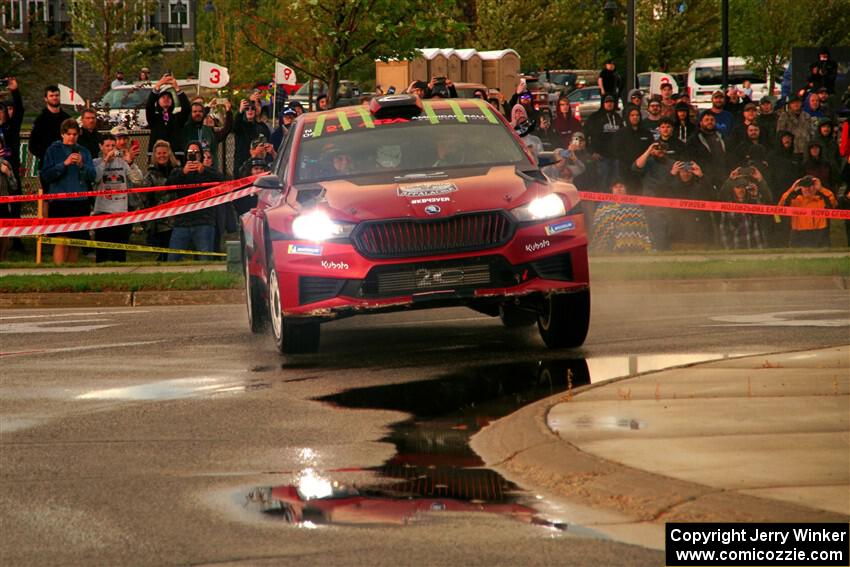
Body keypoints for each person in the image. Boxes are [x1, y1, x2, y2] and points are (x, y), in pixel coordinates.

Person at [39, 119, 97, 264]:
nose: (71, 137)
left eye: (75, 134)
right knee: (61, 238)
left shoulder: (84, 151)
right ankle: (58, 270)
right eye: (68, 134)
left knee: (76, 240)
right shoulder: (53, 150)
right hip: (60, 200)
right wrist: (63, 164)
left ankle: (71, 271)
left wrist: (82, 165)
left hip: (80, 200)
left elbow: (93, 176)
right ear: (62, 134)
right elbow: (46, 175)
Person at [165, 141, 223, 260]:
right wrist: (183, 172)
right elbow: (167, 187)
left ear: (200, 155)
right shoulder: (178, 171)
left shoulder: (208, 171)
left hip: (204, 221)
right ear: (186, 154)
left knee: (205, 260)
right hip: (182, 222)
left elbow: (222, 180)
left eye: (196, 152)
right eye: (191, 152)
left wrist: (204, 170)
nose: (194, 154)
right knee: (172, 259)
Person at [91, 133, 144, 263]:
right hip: (102, 211)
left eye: (113, 146)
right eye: (107, 146)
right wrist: (105, 161)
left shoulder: (122, 162)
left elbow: (138, 179)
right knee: (102, 253)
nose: (111, 148)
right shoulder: (95, 162)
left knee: (119, 253)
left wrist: (130, 162)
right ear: (101, 147)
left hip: (121, 212)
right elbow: (95, 178)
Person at [590, 179, 652, 252]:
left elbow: (640, 223)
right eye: (615, 187)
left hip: (630, 235)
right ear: (612, 189)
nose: (618, 189)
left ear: (626, 189)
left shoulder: (634, 204)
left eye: (621, 186)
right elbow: (599, 223)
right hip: (608, 237)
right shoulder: (603, 205)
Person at [142, 140, 180, 259]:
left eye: (164, 152)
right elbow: (145, 198)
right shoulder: (150, 174)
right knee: (164, 253)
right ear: (154, 155)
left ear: (169, 154)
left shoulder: (178, 171)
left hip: (178, 218)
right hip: (160, 221)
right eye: (159, 153)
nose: (162, 155)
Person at [778, 175, 837, 247]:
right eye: (804, 186)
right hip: (799, 234)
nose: (807, 189)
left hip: (819, 234)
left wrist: (821, 189)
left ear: (815, 188)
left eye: (810, 186)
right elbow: (780, 208)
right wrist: (792, 189)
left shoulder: (822, 200)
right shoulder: (794, 201)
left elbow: (833, 204)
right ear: (801, 188)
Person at [145, 74, 190, 160]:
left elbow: (186, 108)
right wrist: (159, 85)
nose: (166, 99)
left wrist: (176, 88)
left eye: (168, 97)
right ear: (158, 102)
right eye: (163, 97)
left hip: (175, 155)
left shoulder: (177, 118)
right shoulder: (154, 118)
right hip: (157, 156)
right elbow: (149, 106)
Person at [182, 99, 233, 172]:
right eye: (195, 111)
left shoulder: (209, 131)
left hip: (210, 172)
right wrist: (208, 107)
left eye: (200, 111)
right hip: (191, 171)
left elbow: (227, 129)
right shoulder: (187, 129)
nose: (198, 113)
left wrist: (228, 111)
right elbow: (191, 120)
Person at [585, 95, 623, 190]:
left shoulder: (618, 117)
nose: (609, 104)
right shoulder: (594, 117)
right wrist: (591, 151)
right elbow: (586, 134)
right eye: (607, 102)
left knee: (616, 182)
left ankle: (615, 202)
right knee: (603, 181)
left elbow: (622, 135)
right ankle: (601, 203)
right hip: (601, 157)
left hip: (616, 156)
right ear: (603, 103)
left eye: (611, 102)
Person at [718, 177, 767, 249]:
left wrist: (755, 195)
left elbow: (762, 217)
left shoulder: (753, 201)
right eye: (738, 187)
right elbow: (723, 229)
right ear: (733, 189)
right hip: (736, 246)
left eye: (743, 187)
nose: (741, 190)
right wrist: (728, 248)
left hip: (756, 246)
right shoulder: (728, 205)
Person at [29, 85, 71, 171]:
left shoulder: (67, 119)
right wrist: (47, 156)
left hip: (67, 163)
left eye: (57, 95)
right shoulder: (40, 120)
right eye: (51, 96)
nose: (54, 98)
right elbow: (32, 145)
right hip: (48, 165)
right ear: (46, 98)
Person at [686, 111, 727, 193]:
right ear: (701, 122)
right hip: (702, 177)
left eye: (712, 120)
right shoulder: (694, 139)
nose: (710, 122)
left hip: (722, 176)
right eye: (707, 120)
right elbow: (688, 158)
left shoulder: (722, 136)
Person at [614, 105, 653, 192]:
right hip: (626, 170)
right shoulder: (620, 133)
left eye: (637, 115)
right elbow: (617, 151)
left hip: (644, 170)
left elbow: (651, 150)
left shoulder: (646, 133)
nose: (635, 117)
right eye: (632, 115)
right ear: (628, 117)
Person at [233, 93, 272, 171]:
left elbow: (268, 143)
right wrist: (240, 111)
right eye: (247, 109)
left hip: (260, 166)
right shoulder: (241, 125)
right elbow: (235, 126)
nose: (250, 110)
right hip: (243, 166)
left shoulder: (263, 126)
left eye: (252, 108)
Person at [0, 139, 18, 259]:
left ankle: (2, 258)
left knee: (4, 233)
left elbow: (14, 186)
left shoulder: (6, 164)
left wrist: (8, 174)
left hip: (3, 202)